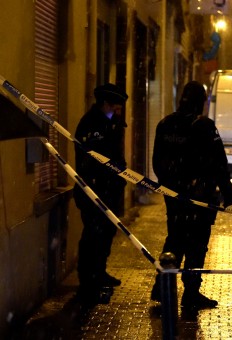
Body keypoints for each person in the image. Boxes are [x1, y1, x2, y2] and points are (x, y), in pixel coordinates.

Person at [150, 81, 232, 312]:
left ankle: (162, 287)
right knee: (197, 246)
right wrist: (227, 192)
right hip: (199, 198)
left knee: (175, 239)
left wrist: (170, 185)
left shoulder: (165, 124)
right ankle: (190, 293)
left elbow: (157, 162)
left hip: (174, 197)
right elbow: (219, 162)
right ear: (201, 102)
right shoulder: (204, 126)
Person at [73, 83, 129, 305]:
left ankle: (100, 273)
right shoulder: (91, 124)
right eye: (115, 107)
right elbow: (94, 160)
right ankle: (88, 283)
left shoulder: (111, 123)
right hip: (93, 191)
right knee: (92, 237)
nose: (118, 112)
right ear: (105, 103)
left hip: (110, 189)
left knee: (105, 234)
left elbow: (115, 155)